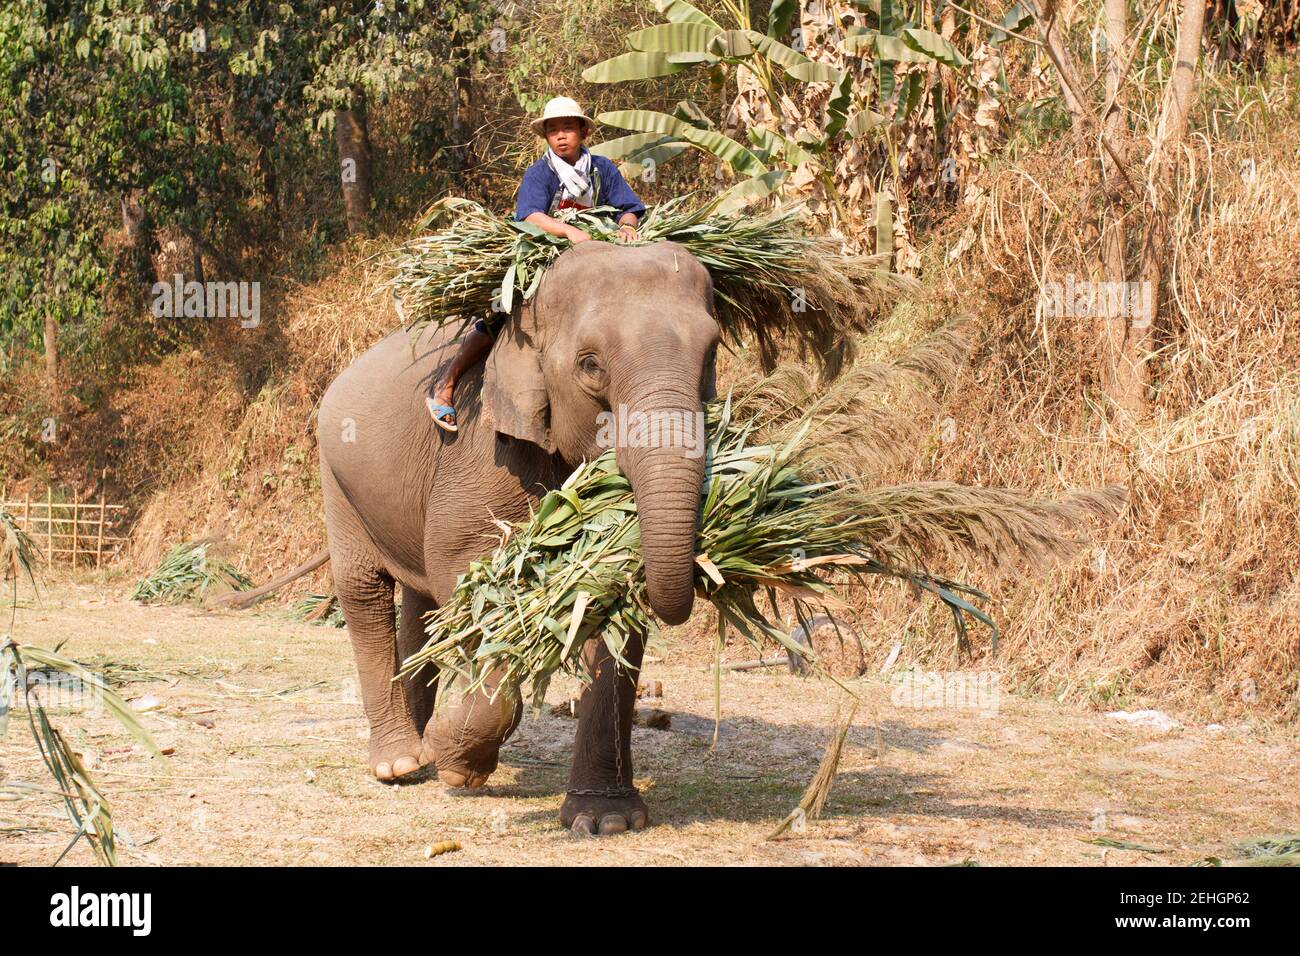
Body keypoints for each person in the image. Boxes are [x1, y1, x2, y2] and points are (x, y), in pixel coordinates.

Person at [426, 96, 647, 430]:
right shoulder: (540, 172)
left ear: (582, 132)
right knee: (502, 317)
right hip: (546, 255)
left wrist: (627, 225)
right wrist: (568, 232)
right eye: (553, 130)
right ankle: (446, 384)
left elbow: (628, 206)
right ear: (545, 136)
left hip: (601, 262)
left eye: (567, 128)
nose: (560, 136)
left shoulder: (602, 168)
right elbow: (529, 215)